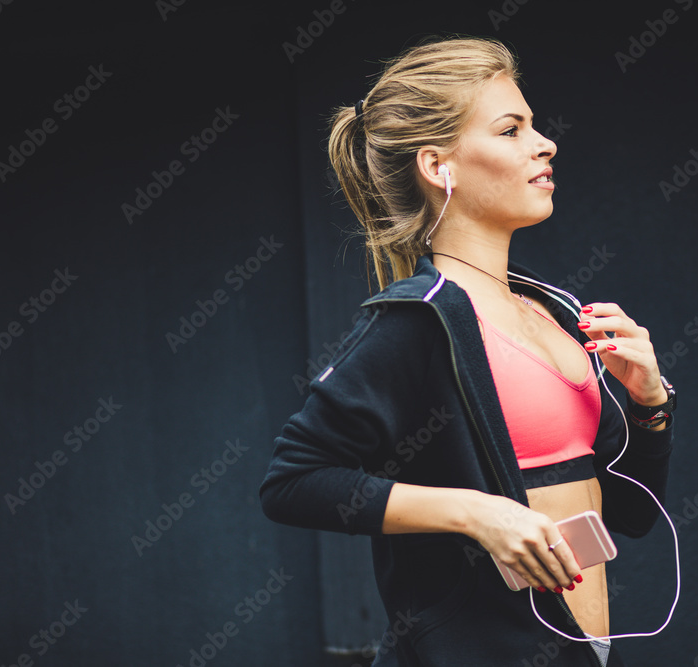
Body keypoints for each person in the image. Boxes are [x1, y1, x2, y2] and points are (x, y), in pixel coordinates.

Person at [259, 36, 675, 667]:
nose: (545, 143)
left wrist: (648, 404)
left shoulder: (559, 313)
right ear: (438, 166)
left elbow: (632, 511)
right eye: (511, 130)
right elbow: (293, 482)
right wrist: (479, 514)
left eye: (534, 126)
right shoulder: (418, 321)